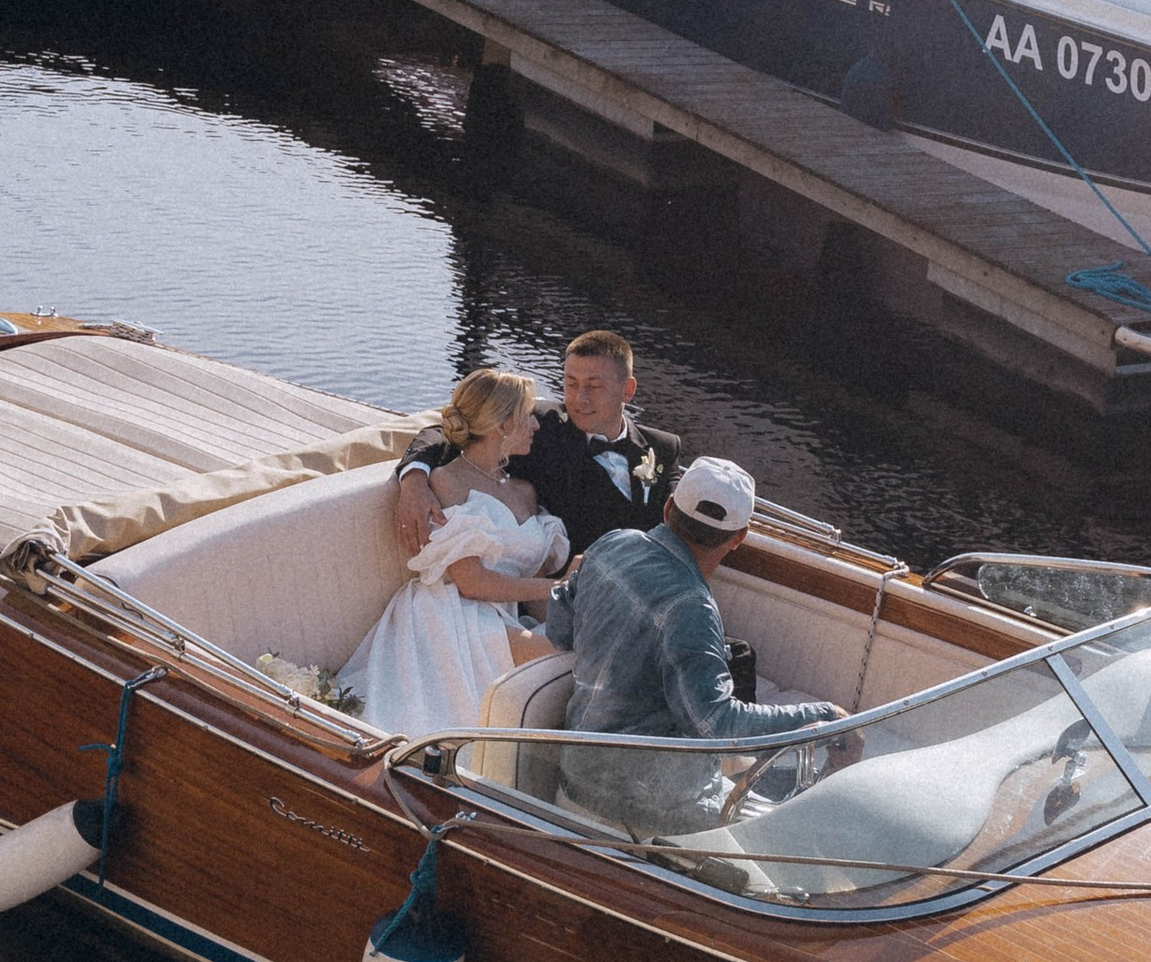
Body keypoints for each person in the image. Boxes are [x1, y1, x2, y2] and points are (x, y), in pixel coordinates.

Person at [546, 454, 834, 839]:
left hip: (577, 781)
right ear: (738, 539)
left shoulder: (613, 543)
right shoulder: (692, 607)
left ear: (668, 509)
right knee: (809, 840)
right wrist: (826, 718)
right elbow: (714, 725)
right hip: (646, 814)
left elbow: (558, 626)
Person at [347, 369, 569, 738]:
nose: (535, 425)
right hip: (452, 613)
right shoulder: (446, 481)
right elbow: (471, 581)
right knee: (563, 652)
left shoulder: (525, 490)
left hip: (506, 613)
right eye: (528, 415)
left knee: (588, 639)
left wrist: (573, 593)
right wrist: (555, 587)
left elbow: (532, 570)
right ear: (503, 424)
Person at [393, 328, 678, 564]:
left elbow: (680, 518)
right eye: (570, 383)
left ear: (627, 390)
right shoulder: (539, 427)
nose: (580, 399)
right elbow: (446, 432)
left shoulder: (663, 448)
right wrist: (414, 481)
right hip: (565, 591)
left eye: (594, 386)